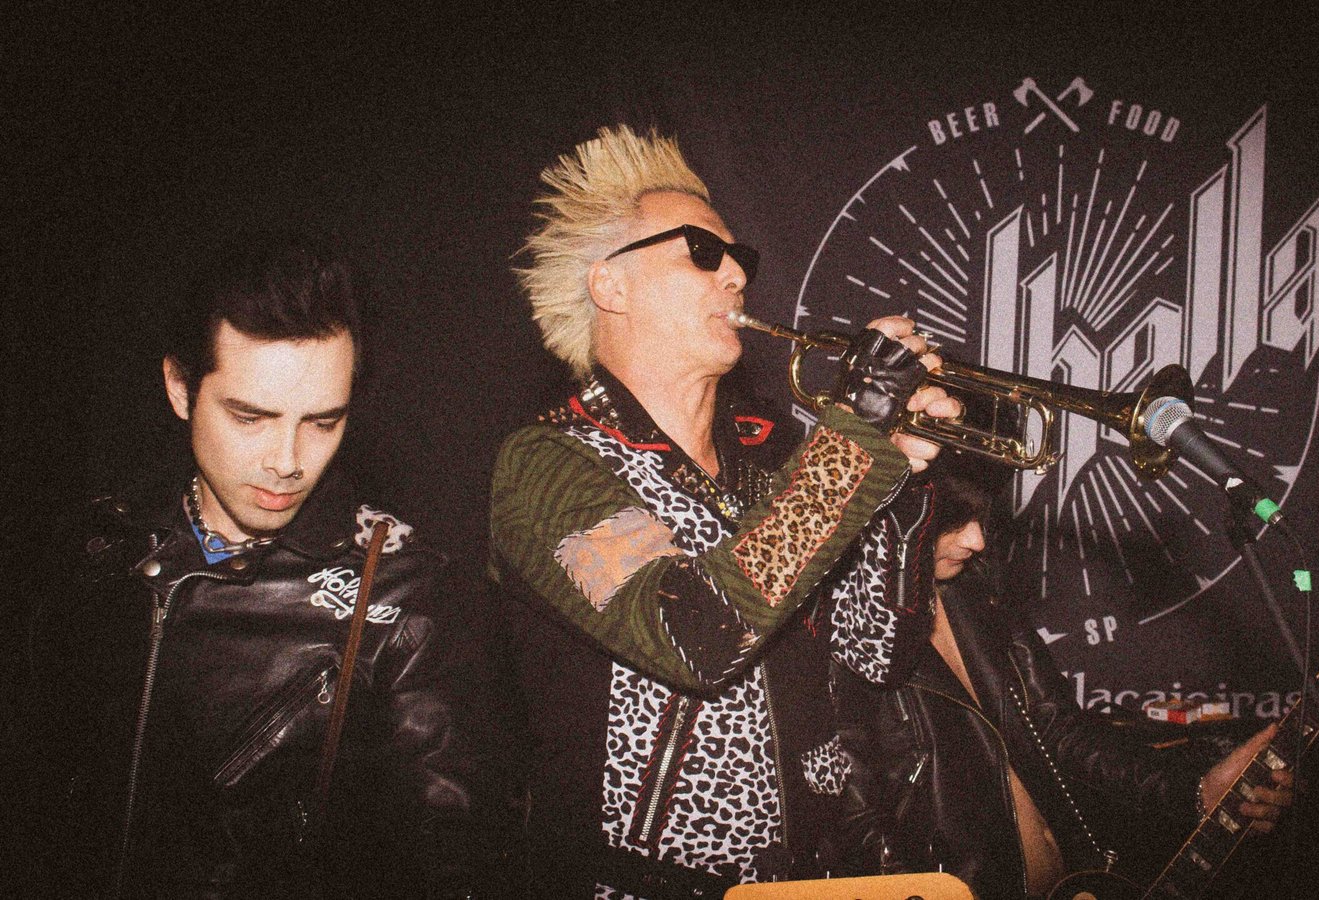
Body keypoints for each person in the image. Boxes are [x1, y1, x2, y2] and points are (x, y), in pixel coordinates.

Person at [489, 124, 961, 897]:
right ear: (611, 285)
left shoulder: (775, 453)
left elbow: (879, 650)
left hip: (816, 878)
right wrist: (854, 437)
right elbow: (696, 635)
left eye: (740, 257)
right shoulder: (549, 465)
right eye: (702, 252)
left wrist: (903, 473)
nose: (736, 274)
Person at [10, 235, 497, 899]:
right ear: (180, 388)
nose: (287, 461)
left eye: (322, 422)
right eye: (250, 417)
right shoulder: (99, 545)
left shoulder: (403, 594)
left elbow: (449, 864)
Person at [833, 460, 1295, 899]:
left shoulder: (974, 593)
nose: (977, 540)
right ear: (889, 516)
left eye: (979, 518)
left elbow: (1059, 730)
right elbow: (857, 829)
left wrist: (1195, 789)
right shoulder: (838, 635)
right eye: (950, 522)